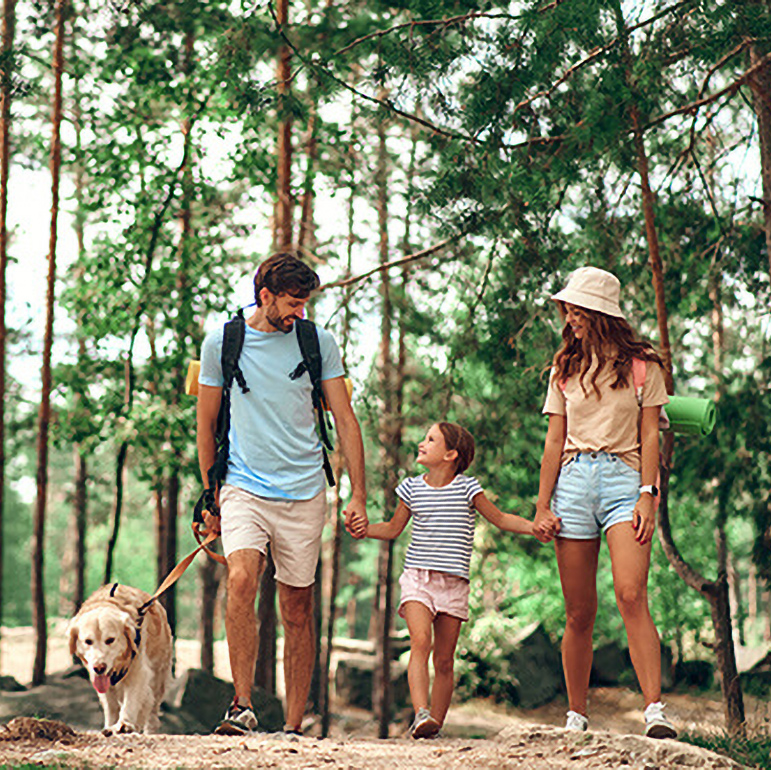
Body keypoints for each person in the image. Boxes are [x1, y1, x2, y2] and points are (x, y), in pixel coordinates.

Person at [196, 253, 367, 737]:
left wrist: (358, 494)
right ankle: (242, 705)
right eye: (292, 303)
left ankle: (293, 725)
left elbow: (345, 421)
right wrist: (211, 495)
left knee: (297, 606)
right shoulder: (223, 343)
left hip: (305, 490)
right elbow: (205, 425)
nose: (299, 313)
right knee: (243, 578)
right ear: (264, 295)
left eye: (305, 304)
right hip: (243, 486)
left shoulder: (317, 342)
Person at [534, 265, 677, 739]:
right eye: (567, 308)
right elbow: (554, 441)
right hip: (572, 484)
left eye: (578, 309)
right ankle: (576, 715)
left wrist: (648, 495)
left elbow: (650, 436)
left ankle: (654, 709)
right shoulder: (564, 368)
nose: (570, 316)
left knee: (632, 593)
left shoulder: (643, 366)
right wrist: (542, 505)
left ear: (601, 312)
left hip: (625, 482)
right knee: (579, 611)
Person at [353, 421, 557, 739]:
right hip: (419, 579)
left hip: (454, 586)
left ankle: (434, 723)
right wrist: (365, 529)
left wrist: (534, 527)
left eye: (430, 439)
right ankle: (421, 713)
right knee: (421, 642)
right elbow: (393, 529)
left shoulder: (468, 488)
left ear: (450, 454)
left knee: (445, 660)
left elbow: (500, 518)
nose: (422, 443)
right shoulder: (411, 488)